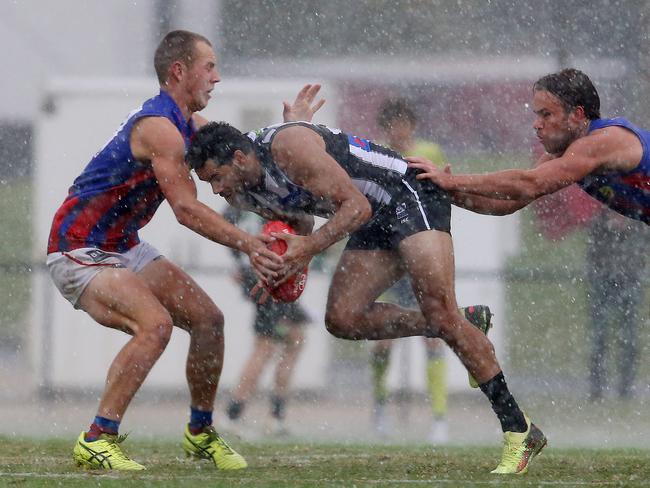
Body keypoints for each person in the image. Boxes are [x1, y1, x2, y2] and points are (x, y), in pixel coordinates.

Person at [187, 120, 547, 475]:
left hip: (408, 194)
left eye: (215, 178)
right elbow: (302, 223)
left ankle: (519, 429)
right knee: (343, 318)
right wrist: (282, 264)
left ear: (237, 157)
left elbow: (355, 206)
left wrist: (306, 250)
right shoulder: (242, 190)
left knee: (440, 311)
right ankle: (462, 323)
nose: (216, 190)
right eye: (209, 183)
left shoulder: (288, 147)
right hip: (370, 217)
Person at [45, 30, 323, 471]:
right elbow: (187, 210)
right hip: (79, 249)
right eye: (208, 66)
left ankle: (200, 433)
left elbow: (240, 155)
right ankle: (97, 438)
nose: (217, 77)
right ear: (179, 71)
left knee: (209, 321)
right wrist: (251, 244)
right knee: (154, 326)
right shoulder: (161, 128)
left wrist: (296, 129)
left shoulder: (188, 127)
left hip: (122, 247)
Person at [370, 98, 493, 444]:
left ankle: (439, 417)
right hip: (387, 257)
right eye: (392, 124)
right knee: (382, 338)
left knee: (434, 336)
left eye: (403, 124)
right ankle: (379, 408)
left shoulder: (428, 152)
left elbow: (439, 192)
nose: (398, 130)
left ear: (411, 126)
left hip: (419, 255)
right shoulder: (377, 152)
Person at [407, 68, 649, 225]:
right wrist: (447, 192)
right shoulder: (563, 156)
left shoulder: (604, 140)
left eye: (546, 115)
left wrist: (452, 181)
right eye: (537, 115)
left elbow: (530, 183)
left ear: (577, 115)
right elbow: (507, 203)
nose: (536, 125)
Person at [222, 206, 310, 436]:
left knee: (295, 339)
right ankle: (235, 414)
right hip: (271, 270)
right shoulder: (262, 193)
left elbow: (226, 229)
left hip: (263, 269)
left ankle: (275, 414)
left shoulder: (237, 199)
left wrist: (239, 265)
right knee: (266, 346)